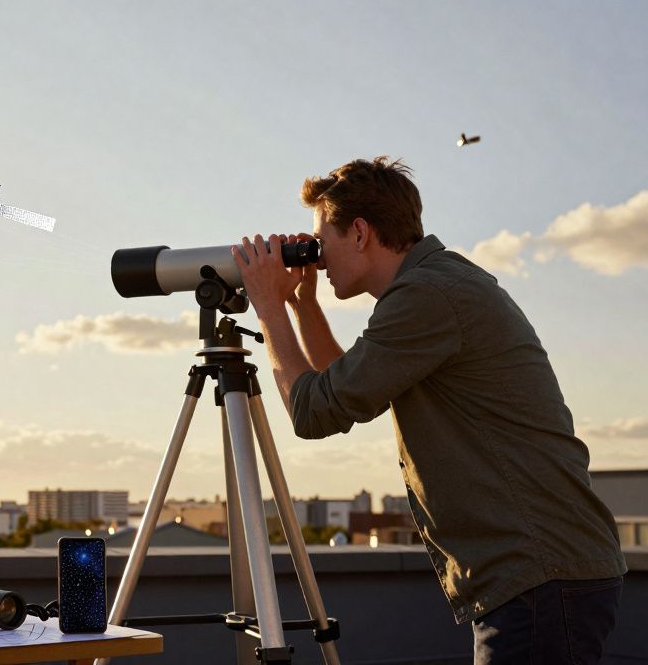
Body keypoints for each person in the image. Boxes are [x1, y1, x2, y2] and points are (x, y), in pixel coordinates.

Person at [232, 156, 626, 664]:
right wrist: (300, 304)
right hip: (541, 572)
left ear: (359, 233)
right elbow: (344, 388)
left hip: (538, 575)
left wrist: (266, 306)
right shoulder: (436, 285)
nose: (318, 258)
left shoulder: (427, 296)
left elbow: (313, 411)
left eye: (321, 240)